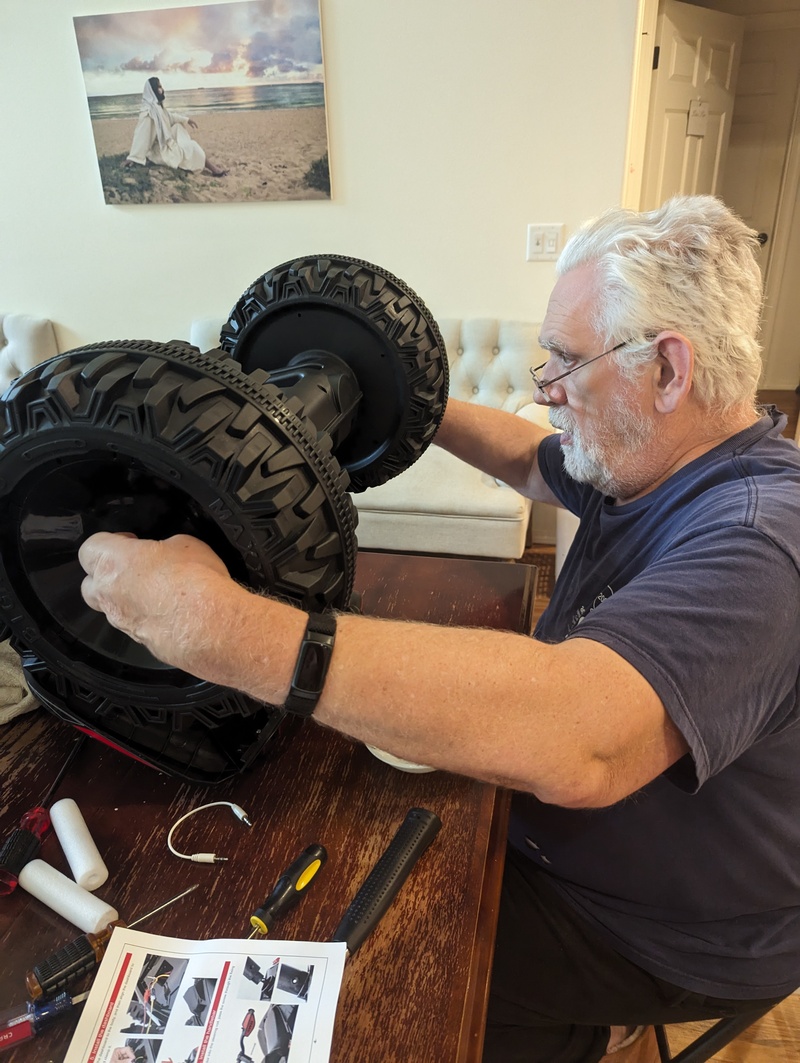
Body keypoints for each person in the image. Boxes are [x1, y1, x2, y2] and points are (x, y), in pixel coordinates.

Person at [78, 195, 800, 1062]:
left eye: (566, 363)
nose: (547, 390)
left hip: (661, 928)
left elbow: (584, 742)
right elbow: (524, 457)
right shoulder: (649, 460)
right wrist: (401, 392)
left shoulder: (759, 541)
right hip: (566, 834)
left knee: (375, 999)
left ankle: (577, 1027)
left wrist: (222, 627)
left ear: (669, 371)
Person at [124, 77, 227, 177]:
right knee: (193, 146)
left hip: (162, 142)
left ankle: (192, 153)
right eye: (159, 87)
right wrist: (133, 157)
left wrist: (187, 120)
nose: (162, 89)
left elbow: (170, 117)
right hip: (158, 150)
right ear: (153, 91)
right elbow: (141, 136)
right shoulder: (149, 112)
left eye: (161, 86)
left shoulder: (157, 107)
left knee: (178, 127)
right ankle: (213, 169)